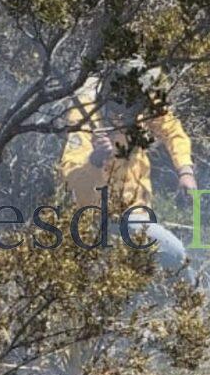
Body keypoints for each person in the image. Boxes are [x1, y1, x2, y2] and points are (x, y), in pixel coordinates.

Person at [58, 58, 197, 274]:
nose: (123, 116)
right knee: (176, 254)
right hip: (99, 217)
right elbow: (72, 177)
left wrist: (185, 170)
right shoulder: (84, 115)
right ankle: (191, 306)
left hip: (139, 210)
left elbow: (172, 130)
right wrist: (94, 160)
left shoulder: (142, 100)